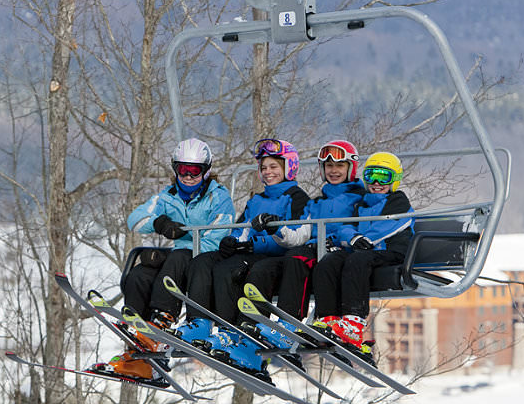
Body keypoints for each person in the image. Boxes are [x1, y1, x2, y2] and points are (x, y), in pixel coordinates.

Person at [170, 138, 310, 380]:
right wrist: (232, 241)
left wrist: (273, 229)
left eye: (274, 167)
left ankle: (242, 338)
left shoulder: (297, 197)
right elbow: (242, 228)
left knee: (231, 270)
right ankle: (201, 324)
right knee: (203, 261)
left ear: (289, 168)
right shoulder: (257, 199)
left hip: (274, 256)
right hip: (251, 251)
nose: (268, 173)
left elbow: (299, 236)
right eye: (264, 168)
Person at [97, 138, 236, 380]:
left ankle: (161, 322)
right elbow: (135, 220)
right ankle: (138, 344)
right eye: (183, 169)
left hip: (207, 261)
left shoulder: (218, 197)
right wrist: (160, 224)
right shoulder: (168, 196)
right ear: (175, 169)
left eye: (195, 170)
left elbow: (217, 237)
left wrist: (185, 243)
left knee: (179, 257)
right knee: (140, 274)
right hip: (179, 260)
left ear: (207, 171)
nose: (189, 176)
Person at [242, 139, 366, 349]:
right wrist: (277, 229)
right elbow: (299, 235)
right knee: (295, 255)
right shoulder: (316, 203)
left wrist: (342, 240)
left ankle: (292, 322)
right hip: (314, 249)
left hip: (342, 252)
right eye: (329, 166)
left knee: (297, 258)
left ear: (350, 168)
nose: (333, 171)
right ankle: (283, 325)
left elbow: (363, 226)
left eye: (339, 166)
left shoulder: (360, 198)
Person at [310, 151, 415, 365]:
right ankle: (328, 318)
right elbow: (346, 227)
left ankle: (353, 322)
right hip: (366, 252)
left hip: (393, 252)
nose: (376, 183)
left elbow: (390, 224)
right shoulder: (362, 203)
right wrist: (353, 237)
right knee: (330, 261)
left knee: (357, 260)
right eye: (371, 176)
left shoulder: (397, 201)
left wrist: (364, 239)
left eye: (383, 177)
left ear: (394, 180)